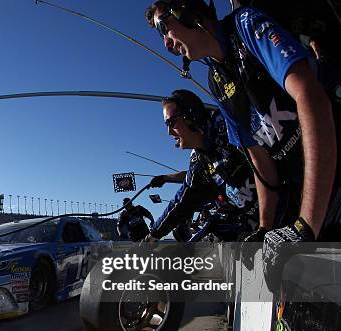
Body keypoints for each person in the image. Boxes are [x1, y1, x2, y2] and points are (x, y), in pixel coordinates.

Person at [145, 0, 339, 245]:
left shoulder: (246, 25)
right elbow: (258, 156)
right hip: (308, 189)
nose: (166, 43)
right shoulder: (216, 81)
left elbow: (310, 97)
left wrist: (306, 224)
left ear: (186, 11)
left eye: (164, 28)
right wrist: (264, 229)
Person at [145, 89, 257, 241]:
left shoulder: (228, 125)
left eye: (170, 123)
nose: (169, 132)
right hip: (257, 225)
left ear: (191, 116)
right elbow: (182, 202)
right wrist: (153, 235)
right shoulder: (199, 162)